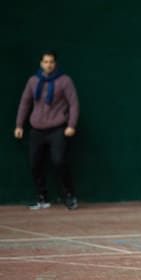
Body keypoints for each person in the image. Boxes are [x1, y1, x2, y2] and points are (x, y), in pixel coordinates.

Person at [15, 50, 79, 210]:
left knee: (59, 161)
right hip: (37, 129)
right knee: (35, 163)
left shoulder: (64, 81)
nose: (48, 65)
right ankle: (42, 197)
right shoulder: (33, 81)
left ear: (55, 63)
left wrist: (71, 125)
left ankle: (69, 196)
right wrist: (19, 125)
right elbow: (25, 103)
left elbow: (73, 103)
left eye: (51, 62)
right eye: (45, 61)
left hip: (57, 129)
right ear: (41, 63)